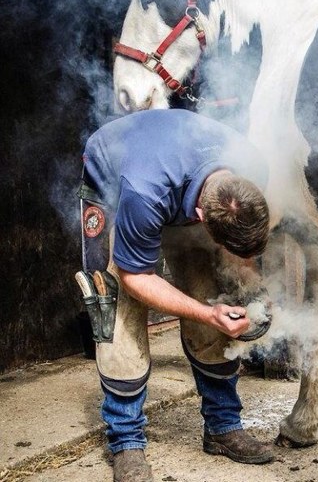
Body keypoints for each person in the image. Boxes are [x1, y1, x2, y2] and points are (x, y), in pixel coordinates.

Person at [75, 108, 273, 482]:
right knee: (119, 312)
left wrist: (251, 293)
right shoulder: (142, 191)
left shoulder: (252, 165)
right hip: (119, 186)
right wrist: (206, 314)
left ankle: (222, 425)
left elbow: (243, 246)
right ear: (200, 214)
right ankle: (126, 442)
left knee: (215, 289)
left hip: (177, 176)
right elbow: (138, 278)